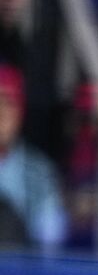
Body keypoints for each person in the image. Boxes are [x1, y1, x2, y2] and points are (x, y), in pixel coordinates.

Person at [0, 65, 66, 251]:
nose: (1, 114)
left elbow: (49, 248)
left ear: (20, 112)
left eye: (9, 103)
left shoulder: (40, 173)